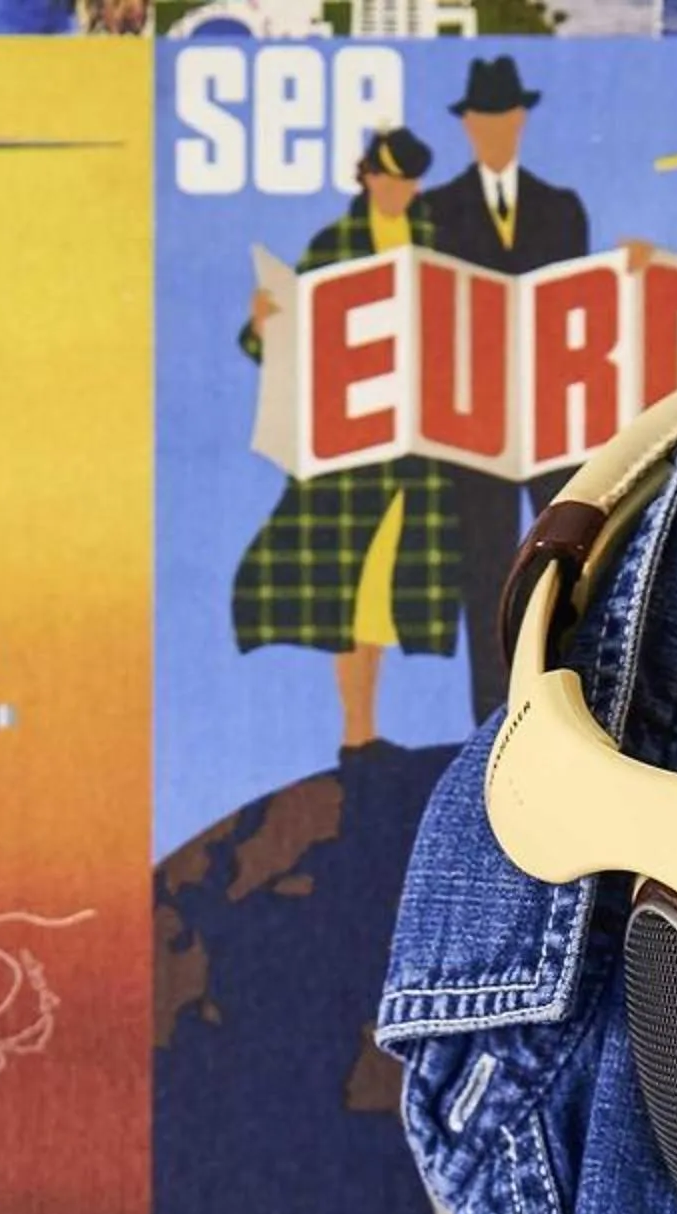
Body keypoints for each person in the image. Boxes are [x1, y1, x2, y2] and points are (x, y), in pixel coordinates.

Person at [231, 127, 459, 757]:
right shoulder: (334, 244)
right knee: (352, 594)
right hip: (353, 454)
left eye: (409, 182)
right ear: (368, 179)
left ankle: (368, 730)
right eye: (389, 180)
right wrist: (261, 325)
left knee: (392, 589)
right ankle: (357, 730)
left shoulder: (437, 234)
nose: (399, 192)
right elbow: (281, 337)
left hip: (420, 449)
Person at [420, 56, 588, 726]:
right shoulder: (436, 210)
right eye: (483, 119)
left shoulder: (560, 208)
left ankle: (569, 707)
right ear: (469, 127)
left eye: (504, 117)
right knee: (485, 570)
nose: (495, 130)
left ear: (519, 121)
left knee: (572, 563)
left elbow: (578, 304)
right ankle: (491, 725)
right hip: (472, 421)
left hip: (550, 413)